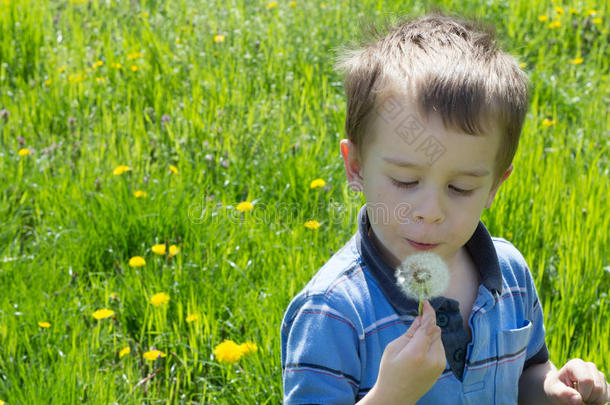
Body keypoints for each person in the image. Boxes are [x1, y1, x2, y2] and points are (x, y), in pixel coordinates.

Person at [280, 11, 610, 405]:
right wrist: (391, 395)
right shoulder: (333, 312)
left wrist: (552, 389)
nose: (430, 211)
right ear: (356, 167)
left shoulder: (509, 275)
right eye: (405, 181)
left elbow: (528, 371)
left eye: (461, 187)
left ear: (493, 187)